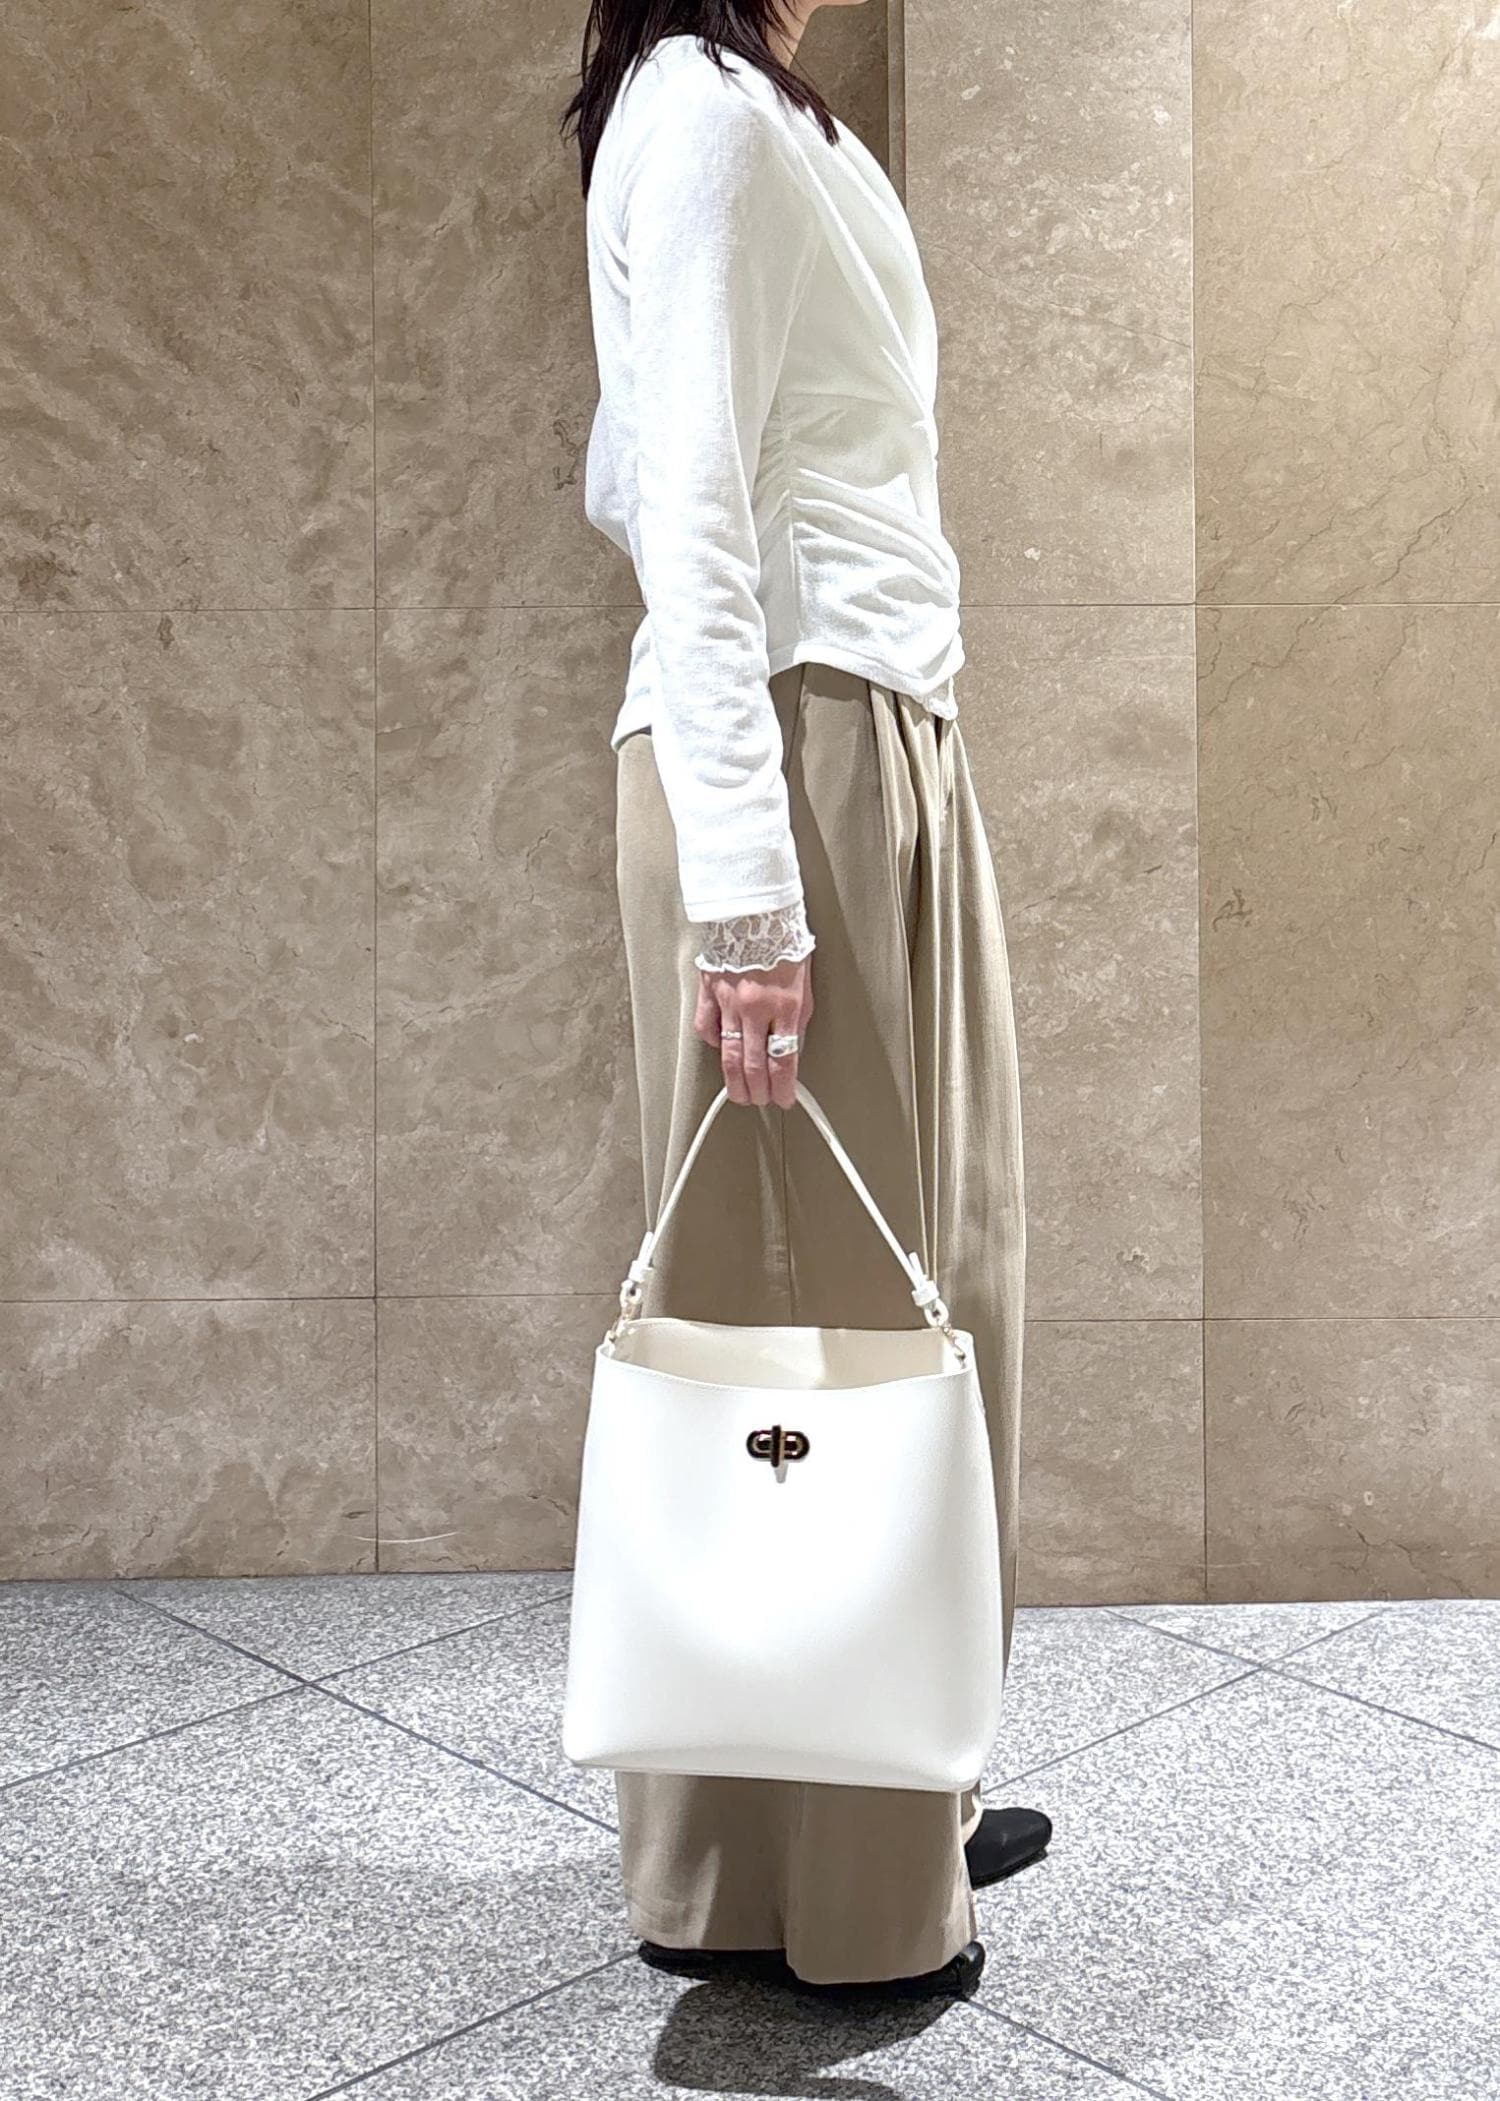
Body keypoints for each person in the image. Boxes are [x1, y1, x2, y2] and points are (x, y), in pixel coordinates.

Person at [562, 0, 1049, 1999]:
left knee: (927, 1285)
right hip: (793, 742)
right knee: (818, 1326)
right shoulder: (699, 110)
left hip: (870, 723)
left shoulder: (762, 108)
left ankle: (891, 1783)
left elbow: (644, 455)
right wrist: (749, 896)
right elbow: (677, 489)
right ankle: (825, 1887)